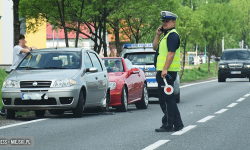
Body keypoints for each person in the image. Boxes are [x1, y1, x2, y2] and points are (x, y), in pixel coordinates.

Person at [153, 11, 184, 132]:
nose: (164, 23)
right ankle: (177, 123)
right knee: (167, 98)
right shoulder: (166, 35)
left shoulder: (172, 36)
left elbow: (171, 54)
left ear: (173, 22)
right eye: (163, 21)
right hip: (164, 72)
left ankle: (167, 124)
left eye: (167, 21)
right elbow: (154, 47)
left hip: (167, 73)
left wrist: (165, 69)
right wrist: (157, 35)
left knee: (165, 99)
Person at [0, 34, 37, 117]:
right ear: (21, 40)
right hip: (14, 70)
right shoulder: (17, 48)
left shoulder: (23, 48)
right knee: (12, 91)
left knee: (20, 91)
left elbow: (35, 48)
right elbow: (28, 51)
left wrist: (28, 47)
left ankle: (12, 109)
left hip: (21, 71)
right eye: (24, 40)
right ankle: (4, 110)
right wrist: (29, 48)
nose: (25, 42)